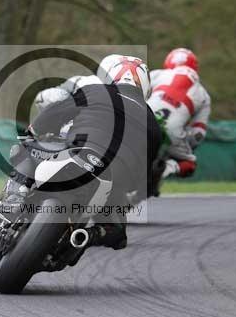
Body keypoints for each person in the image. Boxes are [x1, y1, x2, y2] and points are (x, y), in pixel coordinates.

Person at [26, 54, 163, 249]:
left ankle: (13, 199)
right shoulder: (153, 123)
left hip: (80, 151)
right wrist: (125, 185)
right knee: (117, 235)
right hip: (115, 177)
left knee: (26, 149)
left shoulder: (94, 91)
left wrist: (33, 131)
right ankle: (88, 236)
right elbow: (143, 175)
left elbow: (56, 111)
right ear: (145, 85)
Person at [147, 47, 211, 179]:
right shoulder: (204, 95)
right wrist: (185, 144)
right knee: (189, 164)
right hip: (172, 133)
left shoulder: (157, 74)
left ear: (168, 63)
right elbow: (198, 134)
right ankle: (167, 168)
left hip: (146, 119)